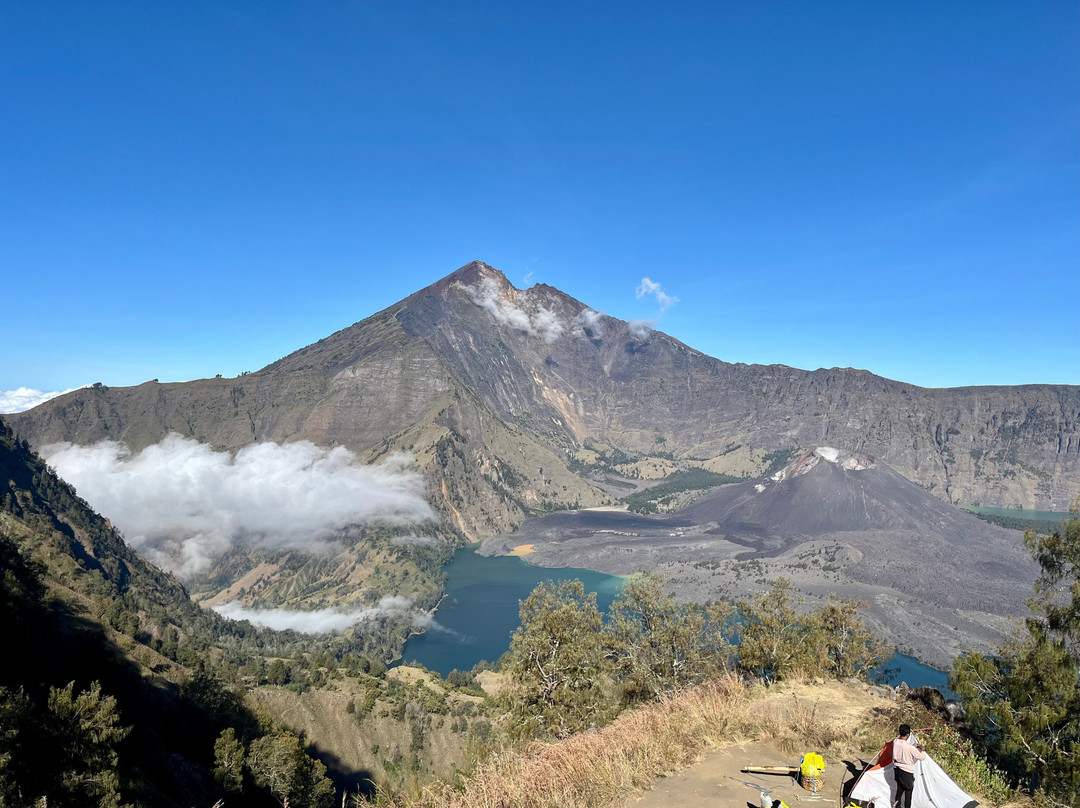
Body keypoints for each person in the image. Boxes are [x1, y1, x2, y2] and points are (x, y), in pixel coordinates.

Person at [892, 724, 926, 808]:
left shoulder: (895, 742)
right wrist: (923, 750)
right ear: (907, 735)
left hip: (897, 770)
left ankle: (896, 806)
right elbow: (921, 757)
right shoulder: (909, 748)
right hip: (907, 772)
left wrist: (912, 747)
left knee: (899, 791)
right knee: (908, 793)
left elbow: (902, 743)